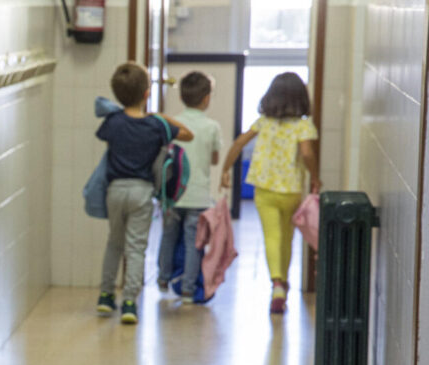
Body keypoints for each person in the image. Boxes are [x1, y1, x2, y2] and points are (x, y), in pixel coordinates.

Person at [96, 62, 194, 325]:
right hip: (141, 192)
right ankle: (129, 302)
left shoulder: (113, 122)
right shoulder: (155, 126)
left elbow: (107, 134)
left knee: (114, 243)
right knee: (136, 248)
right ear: (146, 93)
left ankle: (105, 296)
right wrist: (160, 116)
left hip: (115, 190)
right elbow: (188, 134)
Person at [220, 71, 320, 314]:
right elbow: (306, 153)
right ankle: (283, 283)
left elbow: (238, 143)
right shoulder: (303, 125)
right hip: (290, 190)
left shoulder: (263, 122)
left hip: (264, 189)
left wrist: (225, 169)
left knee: (272, 237)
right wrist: (315, 177)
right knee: (287, 237)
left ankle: (276, 283)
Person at [158, 71, 222, 304]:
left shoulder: (172, 123)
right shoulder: (212, 126)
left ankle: (163, 279)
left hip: (173, 194)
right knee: (193, 243)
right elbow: (214, 159)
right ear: (206, 98)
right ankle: (187, 290)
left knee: (167, 237)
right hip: (198, 196)